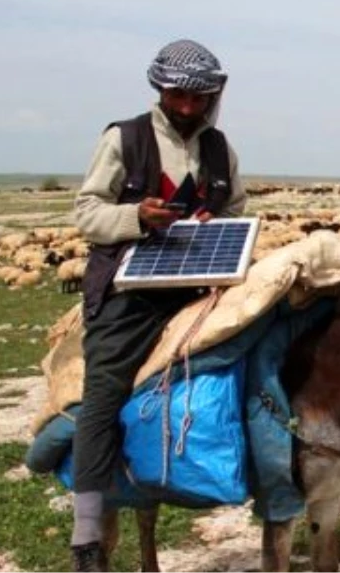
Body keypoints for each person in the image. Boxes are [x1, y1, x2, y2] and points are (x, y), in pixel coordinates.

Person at [69, 39, 247, 572]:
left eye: (199, 97)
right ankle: (87, 539)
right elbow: (86, 212)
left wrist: (221, 227)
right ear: (160, 89)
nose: (188, 107)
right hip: (132, 292)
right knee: (101, 395)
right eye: (178, 96)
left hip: (198, 287)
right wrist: (136, 218)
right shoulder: (124, 138)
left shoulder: (220, 149)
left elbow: (237, 208)